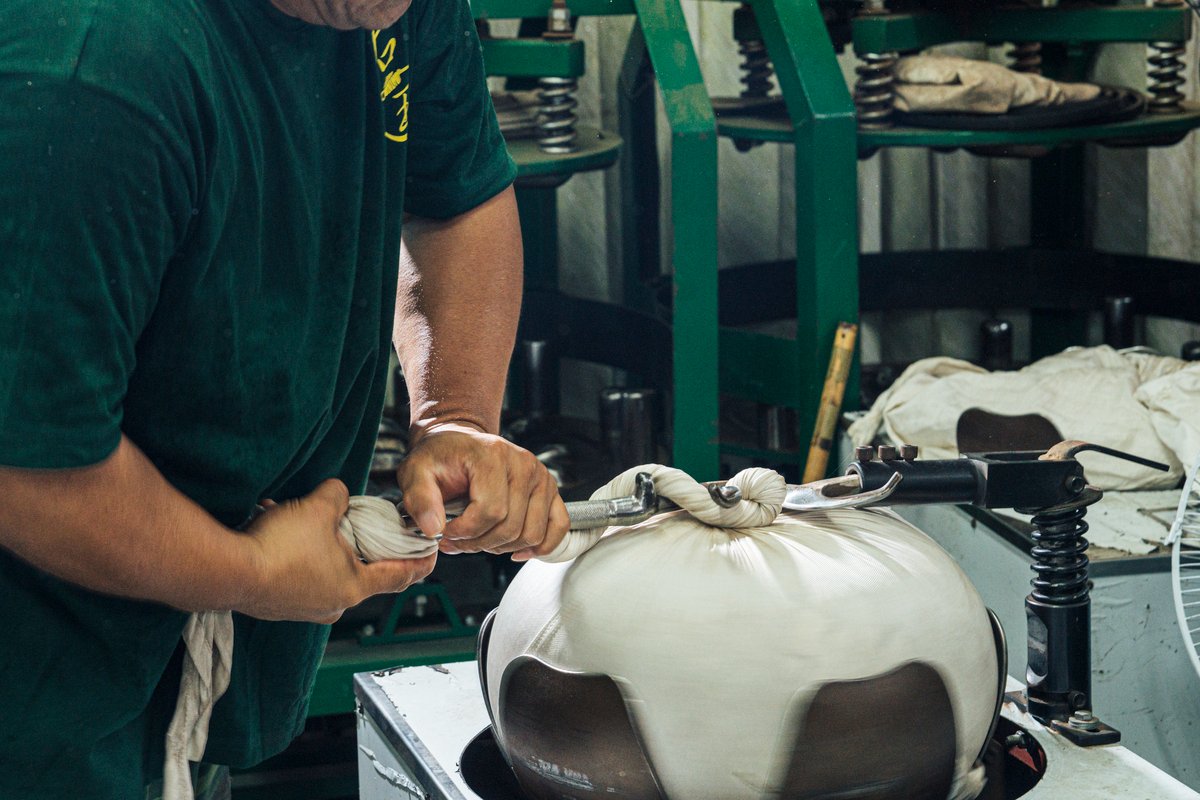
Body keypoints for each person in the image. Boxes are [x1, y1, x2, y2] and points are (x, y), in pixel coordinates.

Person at [0, 0, 570, 797]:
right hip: (36, 679)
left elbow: (454, 198)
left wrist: (456, 417)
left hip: (178, 656)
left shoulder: (393, 6)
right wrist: (248, 571)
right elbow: (27, 470)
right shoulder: (95, 65)